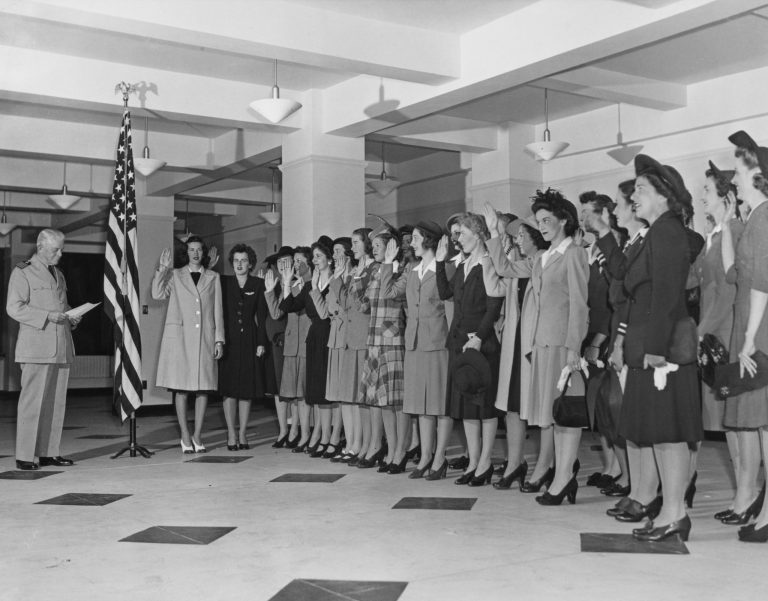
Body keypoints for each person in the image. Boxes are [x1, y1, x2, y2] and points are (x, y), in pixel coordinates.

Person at [619, 154, 702, 542]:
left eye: (640, 189)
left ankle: (675, 514)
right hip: (650, 348)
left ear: (664, 195)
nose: (633, 196)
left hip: (662, 352)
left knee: (669, 433)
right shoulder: (656, 232)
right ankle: (670, 511)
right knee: (659, 433)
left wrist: (655, 350)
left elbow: (667, 295)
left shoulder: (667, 231)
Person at [523, 190, 589, 506]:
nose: (542, 226)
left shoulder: (574, 254)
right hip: (543, 344)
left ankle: (563, 477)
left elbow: (579, 304)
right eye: (539, 221)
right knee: (552, 414)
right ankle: (562, 475)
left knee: (566, 413)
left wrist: (574, 348)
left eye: (547, 220)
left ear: (564, 220)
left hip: (564, 345)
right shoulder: (543, 257)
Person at [723, 131, 768, 542]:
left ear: (757, 176)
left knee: (765, 421)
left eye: (738, 172)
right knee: (762, 423)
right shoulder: (756, 217)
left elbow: (761, 284)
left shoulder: (764, 217)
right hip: (758, 324)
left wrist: (750, 338)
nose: (733, 179)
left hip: (763, 328)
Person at [436, 213, 504, 486]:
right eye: (455, 234)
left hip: (480, 343)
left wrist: (479, 338)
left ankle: (485, 462)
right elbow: (445, 293)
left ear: (477, 234)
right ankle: (474, 462)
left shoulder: (487, 262)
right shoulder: (464, 265)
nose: (457, 238)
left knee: (484, 406)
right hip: (459, 342)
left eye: (461, 233)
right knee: (466, 406)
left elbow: (494, 306)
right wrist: (439, 262)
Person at [380, 221, 450, 479]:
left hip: (438, 341)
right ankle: (425, 457)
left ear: (429, 240)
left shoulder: (444, 268)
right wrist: (388, 264)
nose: (412, 243)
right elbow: (388, 292)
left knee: (439, 403)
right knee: (420, 403)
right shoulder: (411, 269)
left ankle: (439, 457)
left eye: (417, 238)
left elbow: (450, 306)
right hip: (414, 342)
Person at [482, 211, 547, 489]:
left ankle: (548, 465)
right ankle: (515, 463)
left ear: (535, 238)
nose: (518, 240)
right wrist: (491, 246)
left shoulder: (542, 262)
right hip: (514, 341)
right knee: (511, 406)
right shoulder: (520, 264)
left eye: (522, 235)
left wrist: (495, 236)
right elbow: (496, 281)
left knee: (540, 410)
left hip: (534, 342)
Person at [695, 161, 745, 518]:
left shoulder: (736, 231)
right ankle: (744, 492)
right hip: (712, 332)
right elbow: (693, 280)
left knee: (739, 421)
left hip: (726, 332)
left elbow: (730, 290)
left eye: (707, 191)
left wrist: (702, 331)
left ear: (726, 198)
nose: (702, 196)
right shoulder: (711, 236)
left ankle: (747, 494)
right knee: (729, 422)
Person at [6, 229, 80, 470]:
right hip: (36, 348)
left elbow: (60, 306)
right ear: (40, 247)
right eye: (55, 250)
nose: (60, 254)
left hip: (61, 347)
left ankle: (49, 453)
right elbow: (14, 308)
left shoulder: (58, 274)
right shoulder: (23, 272)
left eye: (61, 249)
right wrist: (48, 316)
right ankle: (25, 456)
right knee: (32, 403)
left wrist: (71, 316)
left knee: (55, 404)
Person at [153, 235, 224, 453]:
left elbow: (218, 310)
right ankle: (184, 435)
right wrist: (162, 269)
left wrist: (219, 339)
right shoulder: (175, 275)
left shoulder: (213, 277)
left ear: (204, 253)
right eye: (191, 249)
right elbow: (157, 294)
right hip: (181, 340)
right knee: (181, 389)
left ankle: (197, 435)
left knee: (203, 389)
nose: (195, 253)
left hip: (205, 339)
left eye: (199, 250)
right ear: (187, 252)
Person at [359, 227, 409, 473]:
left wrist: (388, 266)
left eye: (378, 245)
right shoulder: (378, 270)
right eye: (374, 246)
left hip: (392, 339)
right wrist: (361, 276)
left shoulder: (402, 270)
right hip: (374, 340)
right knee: (382, 401)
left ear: (392, 248)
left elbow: (392, 294)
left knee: (397, 401)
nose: (374, 249)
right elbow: (364, 305)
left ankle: (401, 450)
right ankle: (389, 450)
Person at [218, 244, 268, 450]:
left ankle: (243, 433)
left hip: (249, 340)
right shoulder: (223, 282)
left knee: (246, 390)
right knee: (229, 390)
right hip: (228, 342)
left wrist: (261, 342)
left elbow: (262, 316)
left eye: (244, 261)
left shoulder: (258, 284)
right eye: (236, 261)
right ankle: (231, 433)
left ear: (250, 264)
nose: (239, 264)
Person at [264, 248, 312, 451]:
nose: (286, 266)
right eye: (280, 263)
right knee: (289, 390)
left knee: (302, 391)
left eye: (291, 262)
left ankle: (300, 432)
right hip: (287, 343)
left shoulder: (306, 282)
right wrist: (270, 291)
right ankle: (289, 431)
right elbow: (276, 313)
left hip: (303, 341)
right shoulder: (284, 284)